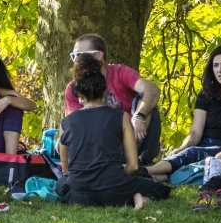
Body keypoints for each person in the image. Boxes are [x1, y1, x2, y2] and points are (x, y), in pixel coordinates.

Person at [55, 55, 170, 209]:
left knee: (61, 184)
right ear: (104, 90)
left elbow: (66, 169)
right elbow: (133, 166)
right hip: (114, 189)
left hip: (80, 195)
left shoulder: (66, 123)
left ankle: (133, 191)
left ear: (79, 94)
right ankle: (138, 197)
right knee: (159, 189)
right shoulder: (121, 117)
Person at [147, 46, 221, 179]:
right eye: (215, 65)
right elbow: (195, 133)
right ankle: (150, 178)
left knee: (193, 153)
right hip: (203, 146)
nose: (219, 70)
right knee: (189, 153)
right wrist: (182, 148)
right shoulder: (206, 94)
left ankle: (145, 171)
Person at [64, 34, 162, 165]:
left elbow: (152, 90)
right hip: (98, 148)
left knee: (145, 100)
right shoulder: (74, 88)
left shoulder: (120, 73)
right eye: (73, 55)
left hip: (133, 140)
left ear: (99, 55)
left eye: (81, 54)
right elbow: (74, 127)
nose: (76, 60)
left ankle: (135, 161)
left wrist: (139, 116)